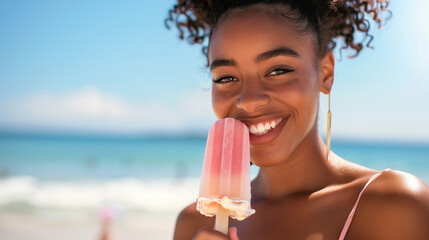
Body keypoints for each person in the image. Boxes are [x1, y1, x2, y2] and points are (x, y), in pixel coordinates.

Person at [165, 1, 429, 239]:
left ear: (325, 73)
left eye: (278, 70)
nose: (248, 100)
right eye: (226, 78)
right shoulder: (193, 224)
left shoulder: (394, 205)